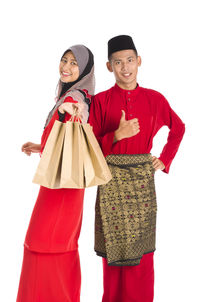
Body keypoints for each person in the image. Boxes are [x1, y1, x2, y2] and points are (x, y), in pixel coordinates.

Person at [88, 35, 185, 302]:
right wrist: (117, 135)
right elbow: (89, 148)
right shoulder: (100, 102)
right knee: (112, 258)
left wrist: (164, 159)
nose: (125, 67)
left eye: (130, 60)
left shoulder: (155, 99)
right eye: (117, 62)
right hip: (110, 183)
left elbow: (178, 129)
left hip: (142, 183)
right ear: (110, 67)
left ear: (139, 61)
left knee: (141, 260)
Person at [16, 44, 95, 302]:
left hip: (62, 187)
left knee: (42, 244)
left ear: (84, 70)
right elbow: (65, 144)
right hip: (60, 182)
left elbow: (76, 116)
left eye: (74, 63)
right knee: (54, 246)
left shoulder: (75, 99)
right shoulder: (68, 95)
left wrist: (67, 112)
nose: (66, 67)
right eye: (64, 60)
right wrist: (41, 145)